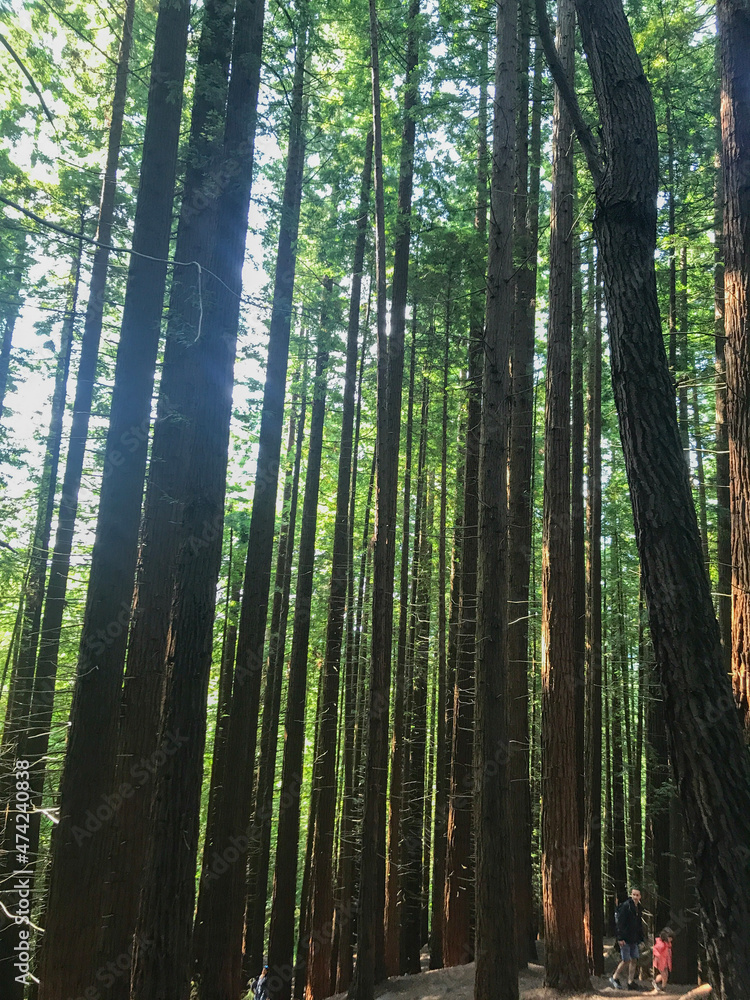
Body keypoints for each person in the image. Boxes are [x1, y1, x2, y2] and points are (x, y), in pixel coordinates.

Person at [609, 888, 645, 991]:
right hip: (625, 939)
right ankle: (614, 977)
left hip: (634, 938)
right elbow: (620, 923)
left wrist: (641, 939)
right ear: (631, 895)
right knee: (626, 960)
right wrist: (620, 938)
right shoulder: (626, 906)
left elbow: (638, 925)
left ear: (640, 896)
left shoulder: (639, 908)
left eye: (637, 895)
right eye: (633, 894)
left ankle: (630, 982)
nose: (635, 897)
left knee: (634, 959)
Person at [652, 928, 673, 992]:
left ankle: (658, 984)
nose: (671, 939)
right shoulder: (661, 944)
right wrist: (658, 956)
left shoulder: (668, 944)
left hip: (665, 962)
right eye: (670, 937)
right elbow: (655, 949)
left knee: (665, 975)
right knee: (664, 975)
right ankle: (663, 987)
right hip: (660, 962)